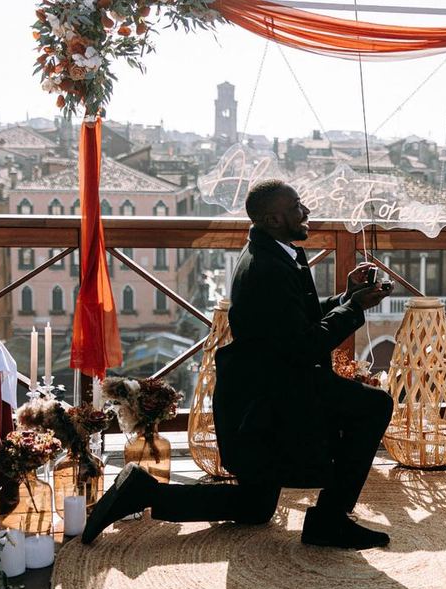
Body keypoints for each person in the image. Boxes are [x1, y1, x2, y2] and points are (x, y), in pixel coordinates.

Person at [83, 180, 395, 549]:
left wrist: (346, 295)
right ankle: (329, 519)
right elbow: (304, 345)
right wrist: (355, 307)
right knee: (375, 404)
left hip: (263, 388)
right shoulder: (268, 268)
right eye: (297, 207)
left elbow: (296, 320)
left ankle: (141, 491)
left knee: (254, 507)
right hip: (272, 399)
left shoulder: (273, 251)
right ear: (274, 218)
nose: (306, 212)